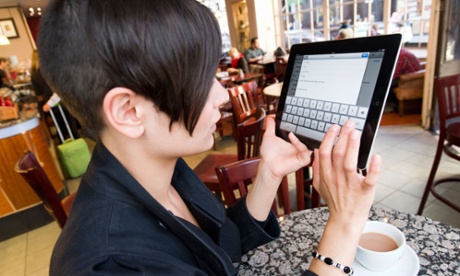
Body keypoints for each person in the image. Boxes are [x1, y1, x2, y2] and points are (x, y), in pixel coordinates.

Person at [38, 0, 381, 275]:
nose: (221, 95)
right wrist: (346, 223)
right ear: (129, 111)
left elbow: (218, 247)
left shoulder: (160, 170)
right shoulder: (113, 264)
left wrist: (269, 173)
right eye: (202, 79)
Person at [30, 49, 80, 139]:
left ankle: (65, 147)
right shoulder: (53, 70)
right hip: (63, 100)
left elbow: (38, 94)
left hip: (49, 104)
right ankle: (78, 145)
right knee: (71, 125)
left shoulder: (34, 74)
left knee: (60, 126)